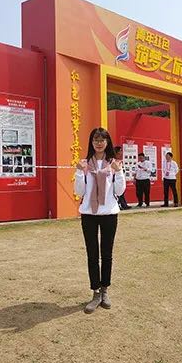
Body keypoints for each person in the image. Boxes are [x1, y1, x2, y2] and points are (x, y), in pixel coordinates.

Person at [74, 128, 125, 314]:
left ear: (107, 142)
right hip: (89, 214)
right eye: (96, 139)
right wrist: (79, 173)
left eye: (102, 139)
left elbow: (119, 191)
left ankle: (105, 290)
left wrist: (119, 173)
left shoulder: (114, 164)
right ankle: (95, 292)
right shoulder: (85, 164)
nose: (99, 143)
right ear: (91, 142)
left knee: (107, 254)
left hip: (109, 213)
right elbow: (79, 192)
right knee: (92, 254)